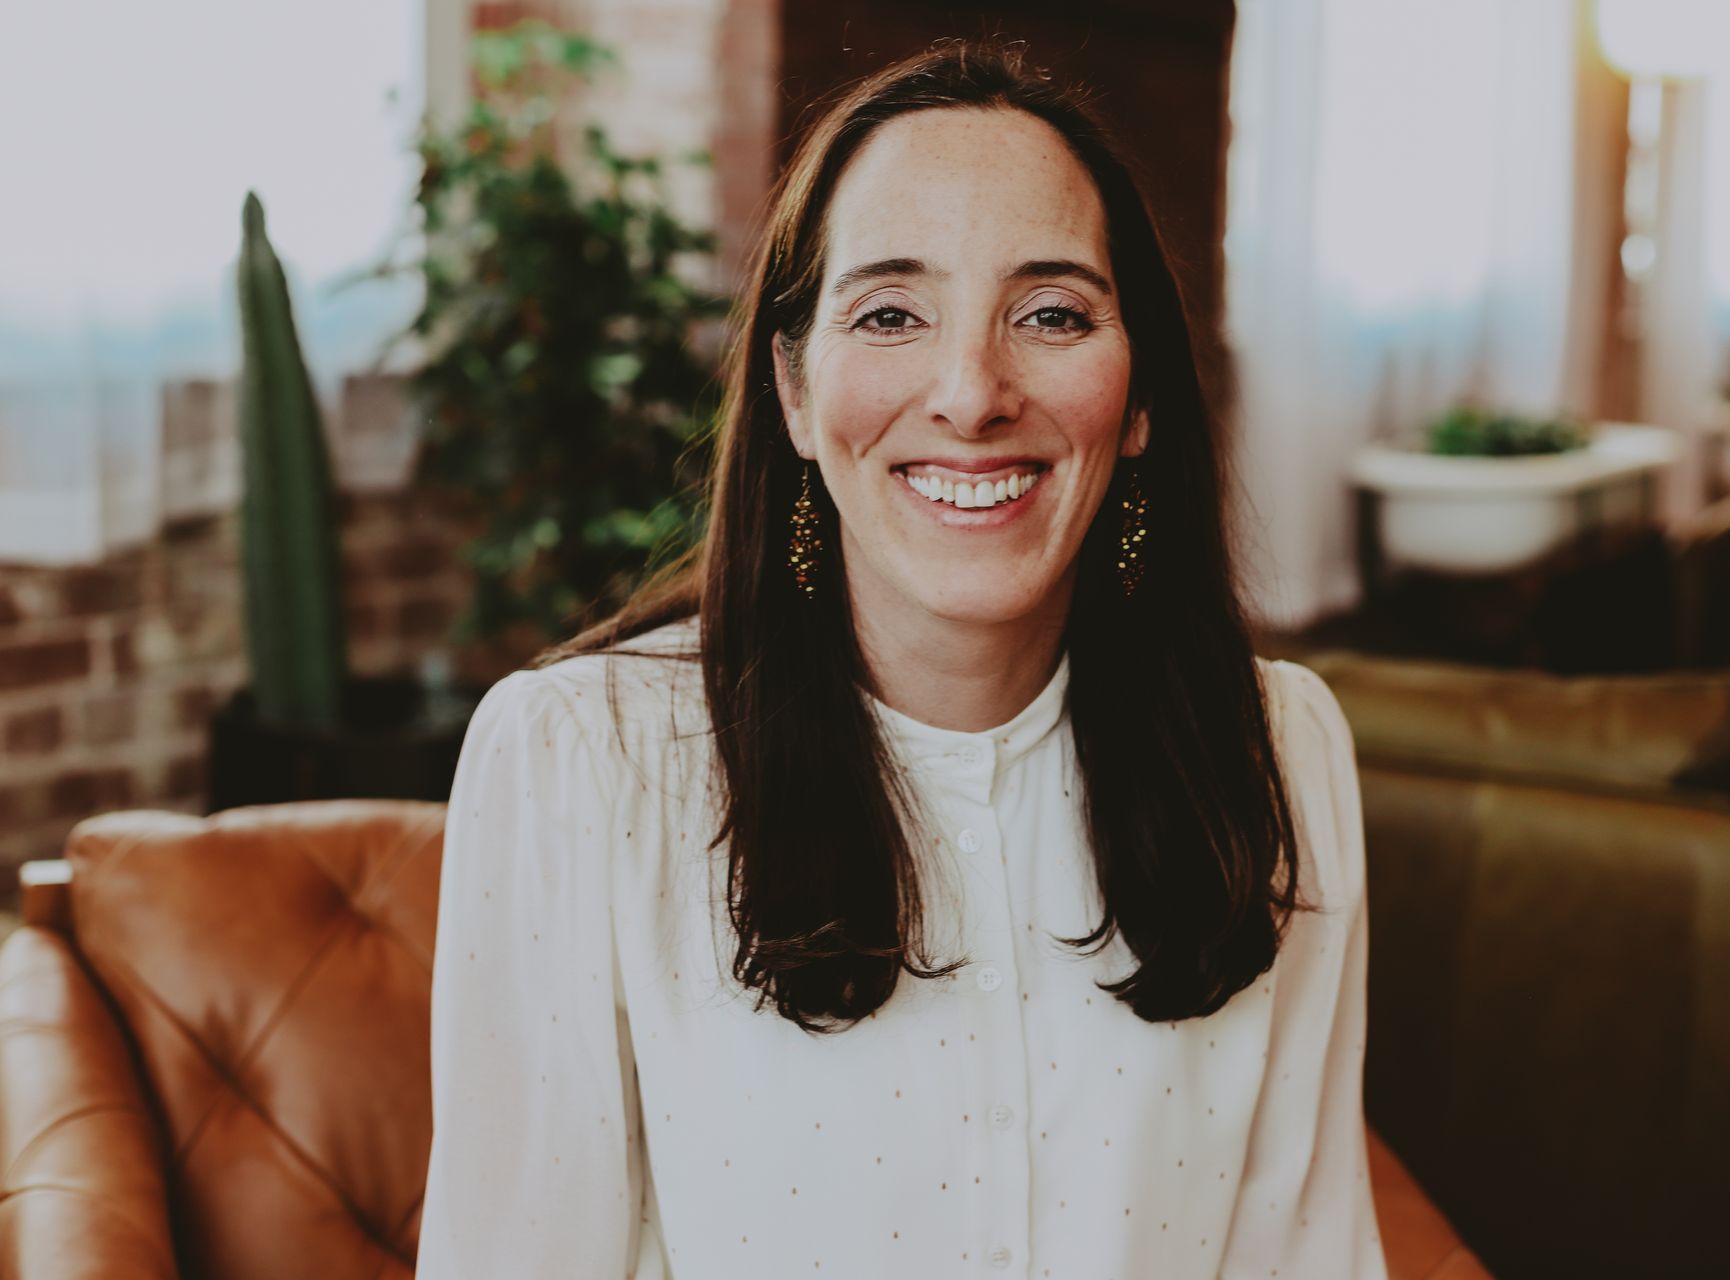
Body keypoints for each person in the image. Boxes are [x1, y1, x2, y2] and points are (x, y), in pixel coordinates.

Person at [416, 40, 1386, 1280]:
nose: (972, 391)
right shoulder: (579, 762)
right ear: (794, 388)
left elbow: (1306, 1255)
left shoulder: (1280, 745)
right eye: (889, 312)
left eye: (1051, 313)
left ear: (1137, 391)